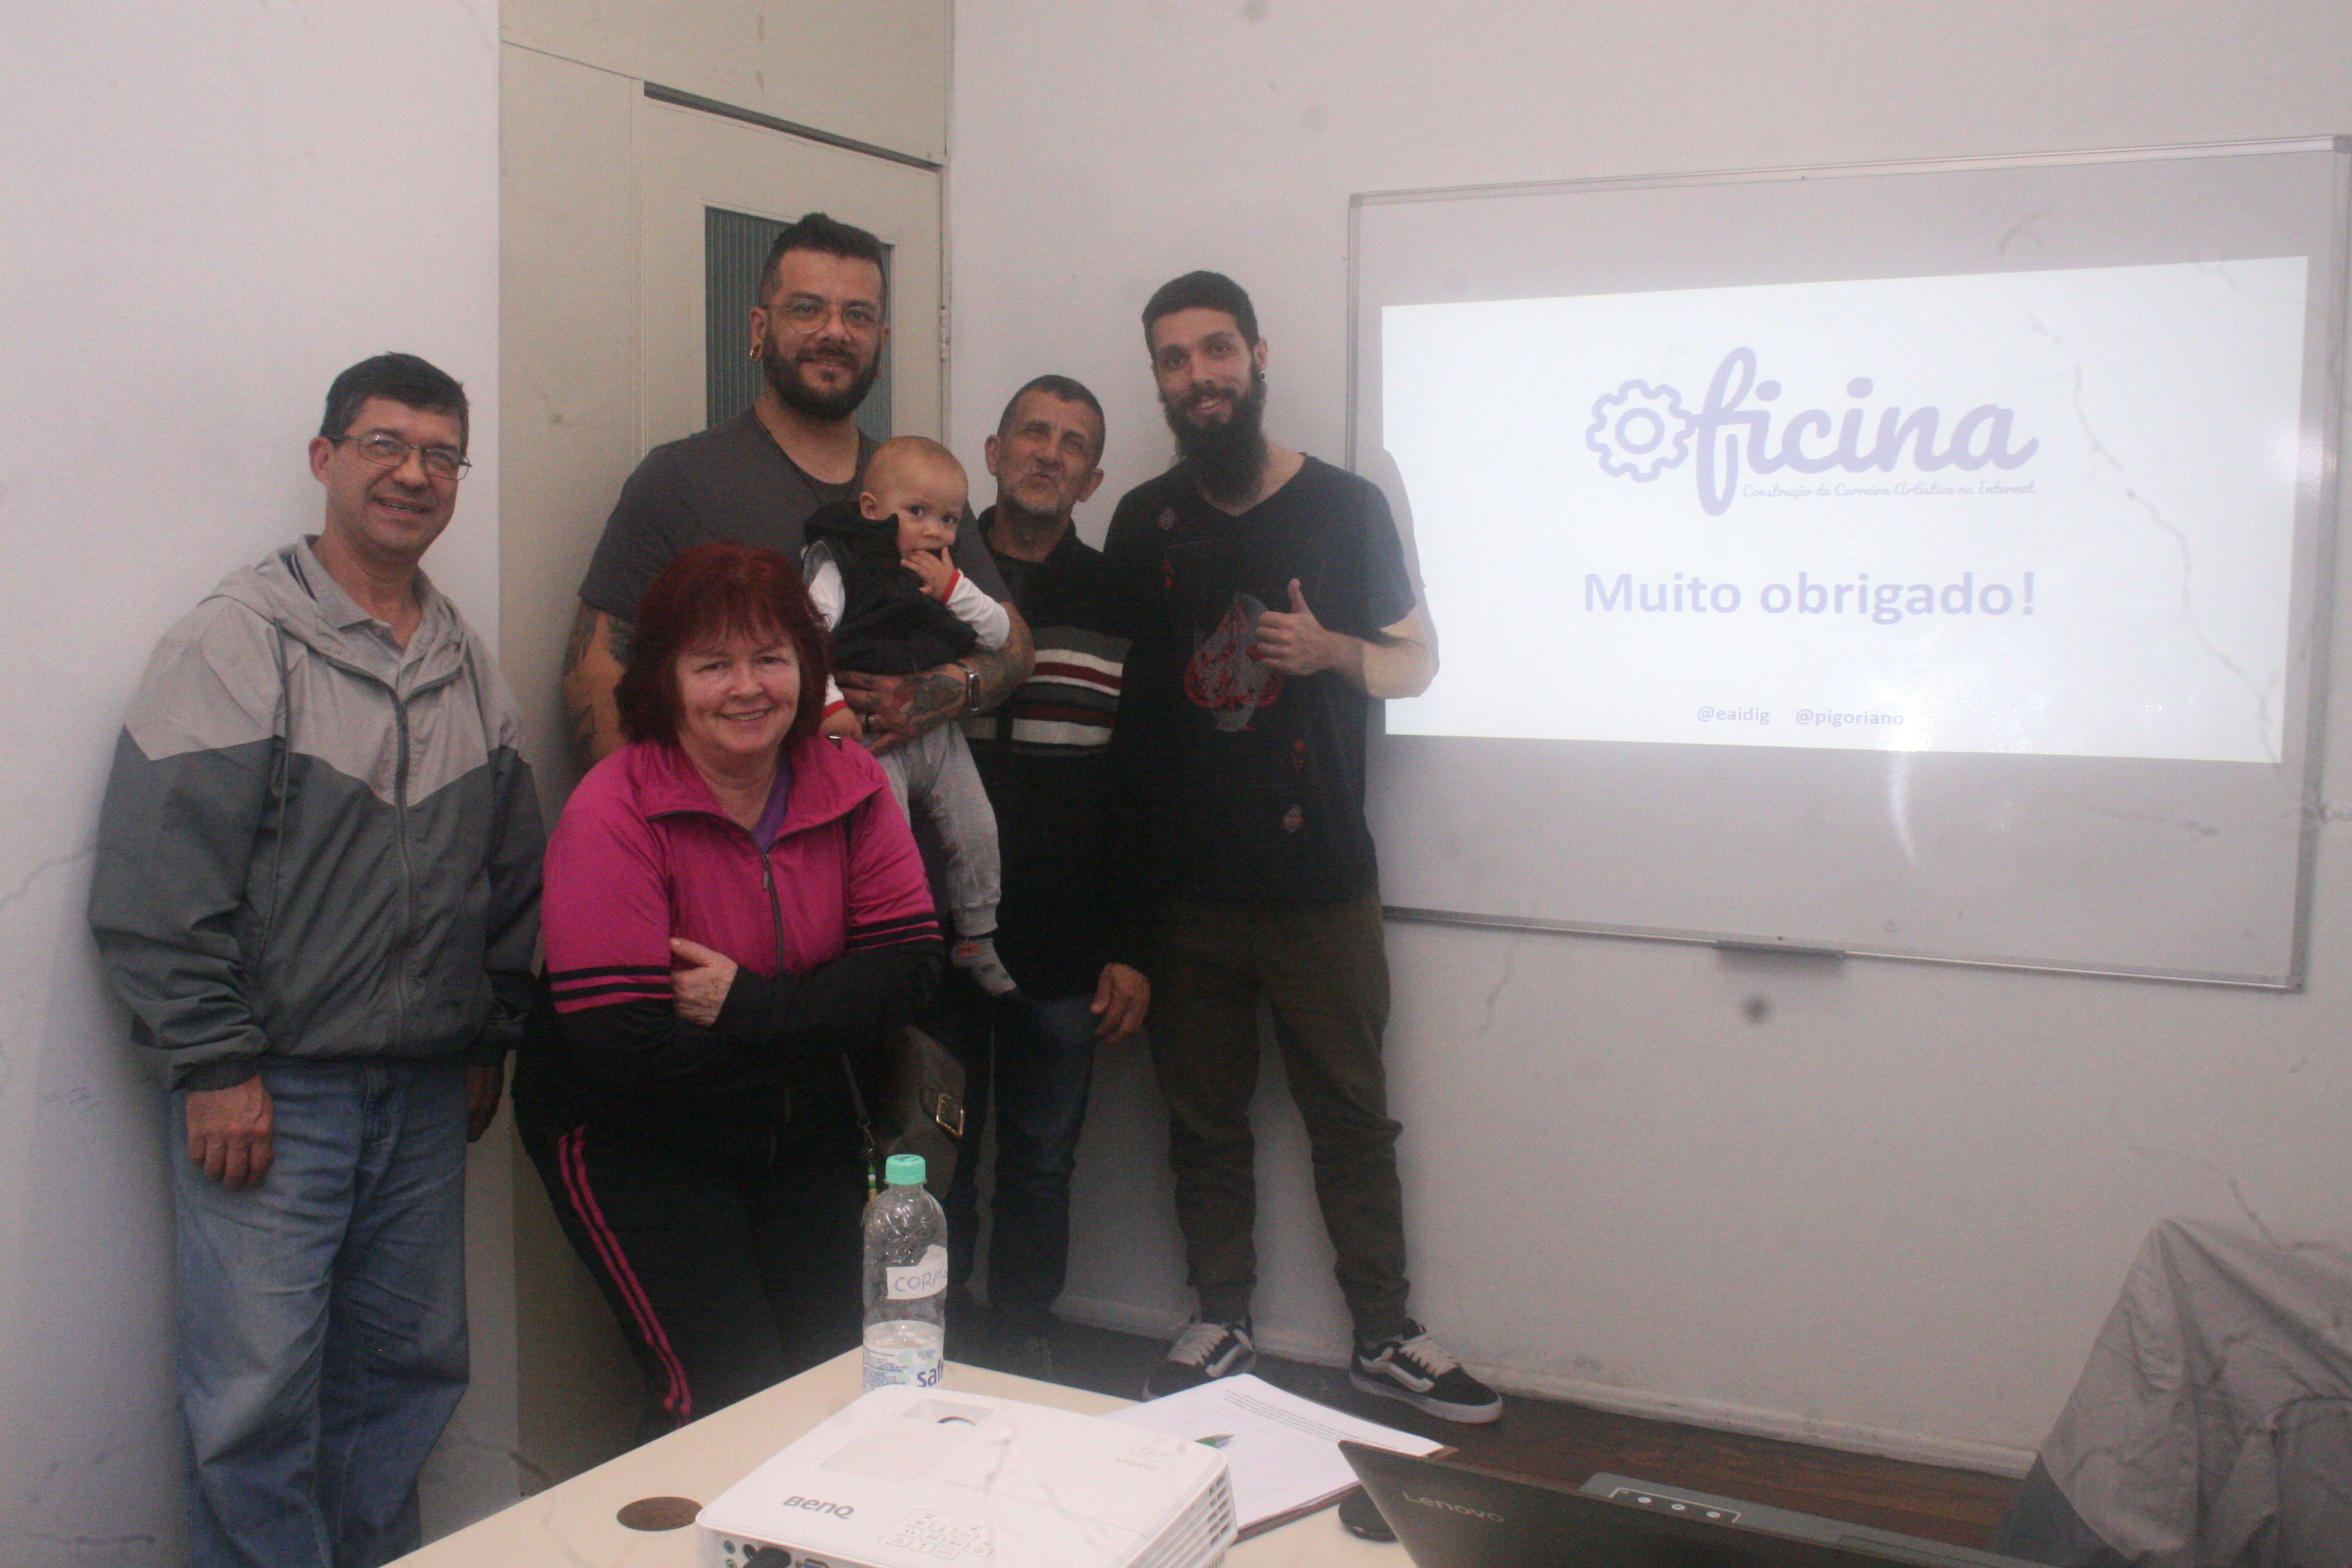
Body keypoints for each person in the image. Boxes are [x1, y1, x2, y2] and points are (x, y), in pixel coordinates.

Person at [87, 353, 544, 1567]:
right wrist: (213, 1063)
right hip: (274, 1098)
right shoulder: (238, 641)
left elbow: (505, 871)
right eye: (384, 444)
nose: (412, 473)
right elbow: (155, 883)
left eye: (440, 454)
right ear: (324, 459)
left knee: (400, 1386)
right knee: (255, 1405)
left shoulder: (463, 660)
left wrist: (488, 1034)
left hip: (421, 1094)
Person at [1104, 272, 1502, 1423]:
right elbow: (1127, 720)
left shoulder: (1343, 506)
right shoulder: (1143, 522)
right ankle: (1219, 1317)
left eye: (1214, 351)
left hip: (1321, 882)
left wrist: (1332, 651)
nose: (1197, 377)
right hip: (1187, 894)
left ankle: (1382, 1333)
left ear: (1257, 355)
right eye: (1173, 360)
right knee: (1200, 1122)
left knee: (1350, 1117)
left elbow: (1417, 661)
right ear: (1160, 382)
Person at [514, 541, 943, 1441]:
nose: (746, 688)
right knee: (721, 1396)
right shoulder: (614, 808)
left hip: (800, 1127)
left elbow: (907, 972)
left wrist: (752, 1006)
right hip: (635, 1138)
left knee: (838, 1379)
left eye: (770, 659)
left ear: (806, 669)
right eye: (712, 664)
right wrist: (818, 1033)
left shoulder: (853, 783)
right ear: (665, 680)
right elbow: (625, 1044)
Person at [563, 210, 1032, 770]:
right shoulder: (679, 480)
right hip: (732, 837)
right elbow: (594, 674)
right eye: (808, 309)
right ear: (760, 329)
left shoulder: (918, 489)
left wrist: (939, 693)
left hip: (898, 841)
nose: (835, 331)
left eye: (858, 315)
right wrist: (647, 830)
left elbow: (1015, 645)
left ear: (880, 343)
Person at [931, 376, 1150, 1370]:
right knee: (929, 1164)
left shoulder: (1121, 601)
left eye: (1072, 444)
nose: (1048, 453)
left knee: (1041, 1164)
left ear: (1094, 478)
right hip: (928, 944)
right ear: (992, 448)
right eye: (1032, 433)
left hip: (1065, 950)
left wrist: (1134, 948)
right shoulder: (922, 580)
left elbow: (1151, 791)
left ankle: (1022, 1346)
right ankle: (927, 1351)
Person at [802, 436, 1016, 997]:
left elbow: (1000, 634)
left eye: (949, 518)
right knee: (886, 838)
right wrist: (830, 707)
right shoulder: (840, 559)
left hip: (940, 732)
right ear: (871, 510)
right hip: (871, 737)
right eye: (917, 512)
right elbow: (806, 636)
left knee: (978, 828)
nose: (935, 532)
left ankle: (976, 936)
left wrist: (954, 589)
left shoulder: (946, 571)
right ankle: (896, 945)